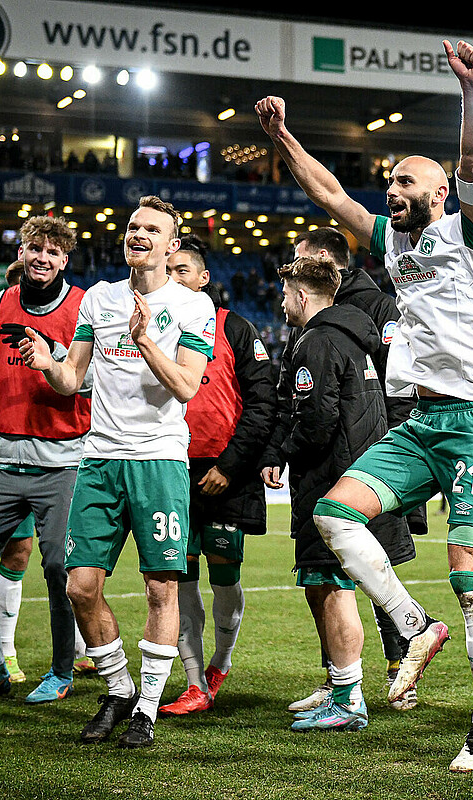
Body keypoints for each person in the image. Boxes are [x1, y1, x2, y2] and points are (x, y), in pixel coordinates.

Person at [257, 39, 473, 771]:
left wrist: (471, 94)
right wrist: (282, 139)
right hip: (422, 421)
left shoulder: (470, 234)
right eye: (390, 179)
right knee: (333, 513)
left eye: (404, 180)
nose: (390, 188)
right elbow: (330, 195)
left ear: (438, 193)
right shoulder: (393, 245)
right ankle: (414, 624)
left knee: (471, 575)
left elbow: (471, 166)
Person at [20, 195, 215, 748]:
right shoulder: (98, 300)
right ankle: (120, 687)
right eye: (132, 226)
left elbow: (184, 387)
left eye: (152, 229)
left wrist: (145, 341)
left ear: (171, 245)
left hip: (159, 462)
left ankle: (147, 710)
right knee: (80, 586)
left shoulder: (192, 307)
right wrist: (46, 365)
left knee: (161, 590)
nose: (138, 234)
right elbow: (71, 379)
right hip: (100, 460)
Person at [263, 255, 413, 732]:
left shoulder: (319, 342)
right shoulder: (352, 335)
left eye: (286, 294)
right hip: (355, 473)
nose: (282, 302)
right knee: (326, 584)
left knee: (332, 587)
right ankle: (338, 685)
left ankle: (348, 697)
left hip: (329, 478)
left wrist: (282, 452)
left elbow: (317, 420)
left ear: (302, 297)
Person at [0, 217, 91, 706]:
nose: (42, 258)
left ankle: (60, 670)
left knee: (58, 565)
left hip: (63, 462)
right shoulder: (2, 301)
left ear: (65, 260)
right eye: (35, 248)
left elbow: (91, 381)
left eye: (53, 252)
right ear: (23, 251)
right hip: (5, 459)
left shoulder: (82, 307)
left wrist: (51, 360)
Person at [157, 235, 275, 717]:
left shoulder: (235, 328)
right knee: (176, 578)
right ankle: (193, 683)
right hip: (169, 470)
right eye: (169, 270)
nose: (174, 277)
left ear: (205, 279)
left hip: (228, 472)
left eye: (182, 270)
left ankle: (219, 667)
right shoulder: (150, 335)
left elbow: (264, 403)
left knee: (225, 575)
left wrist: (230, 466)